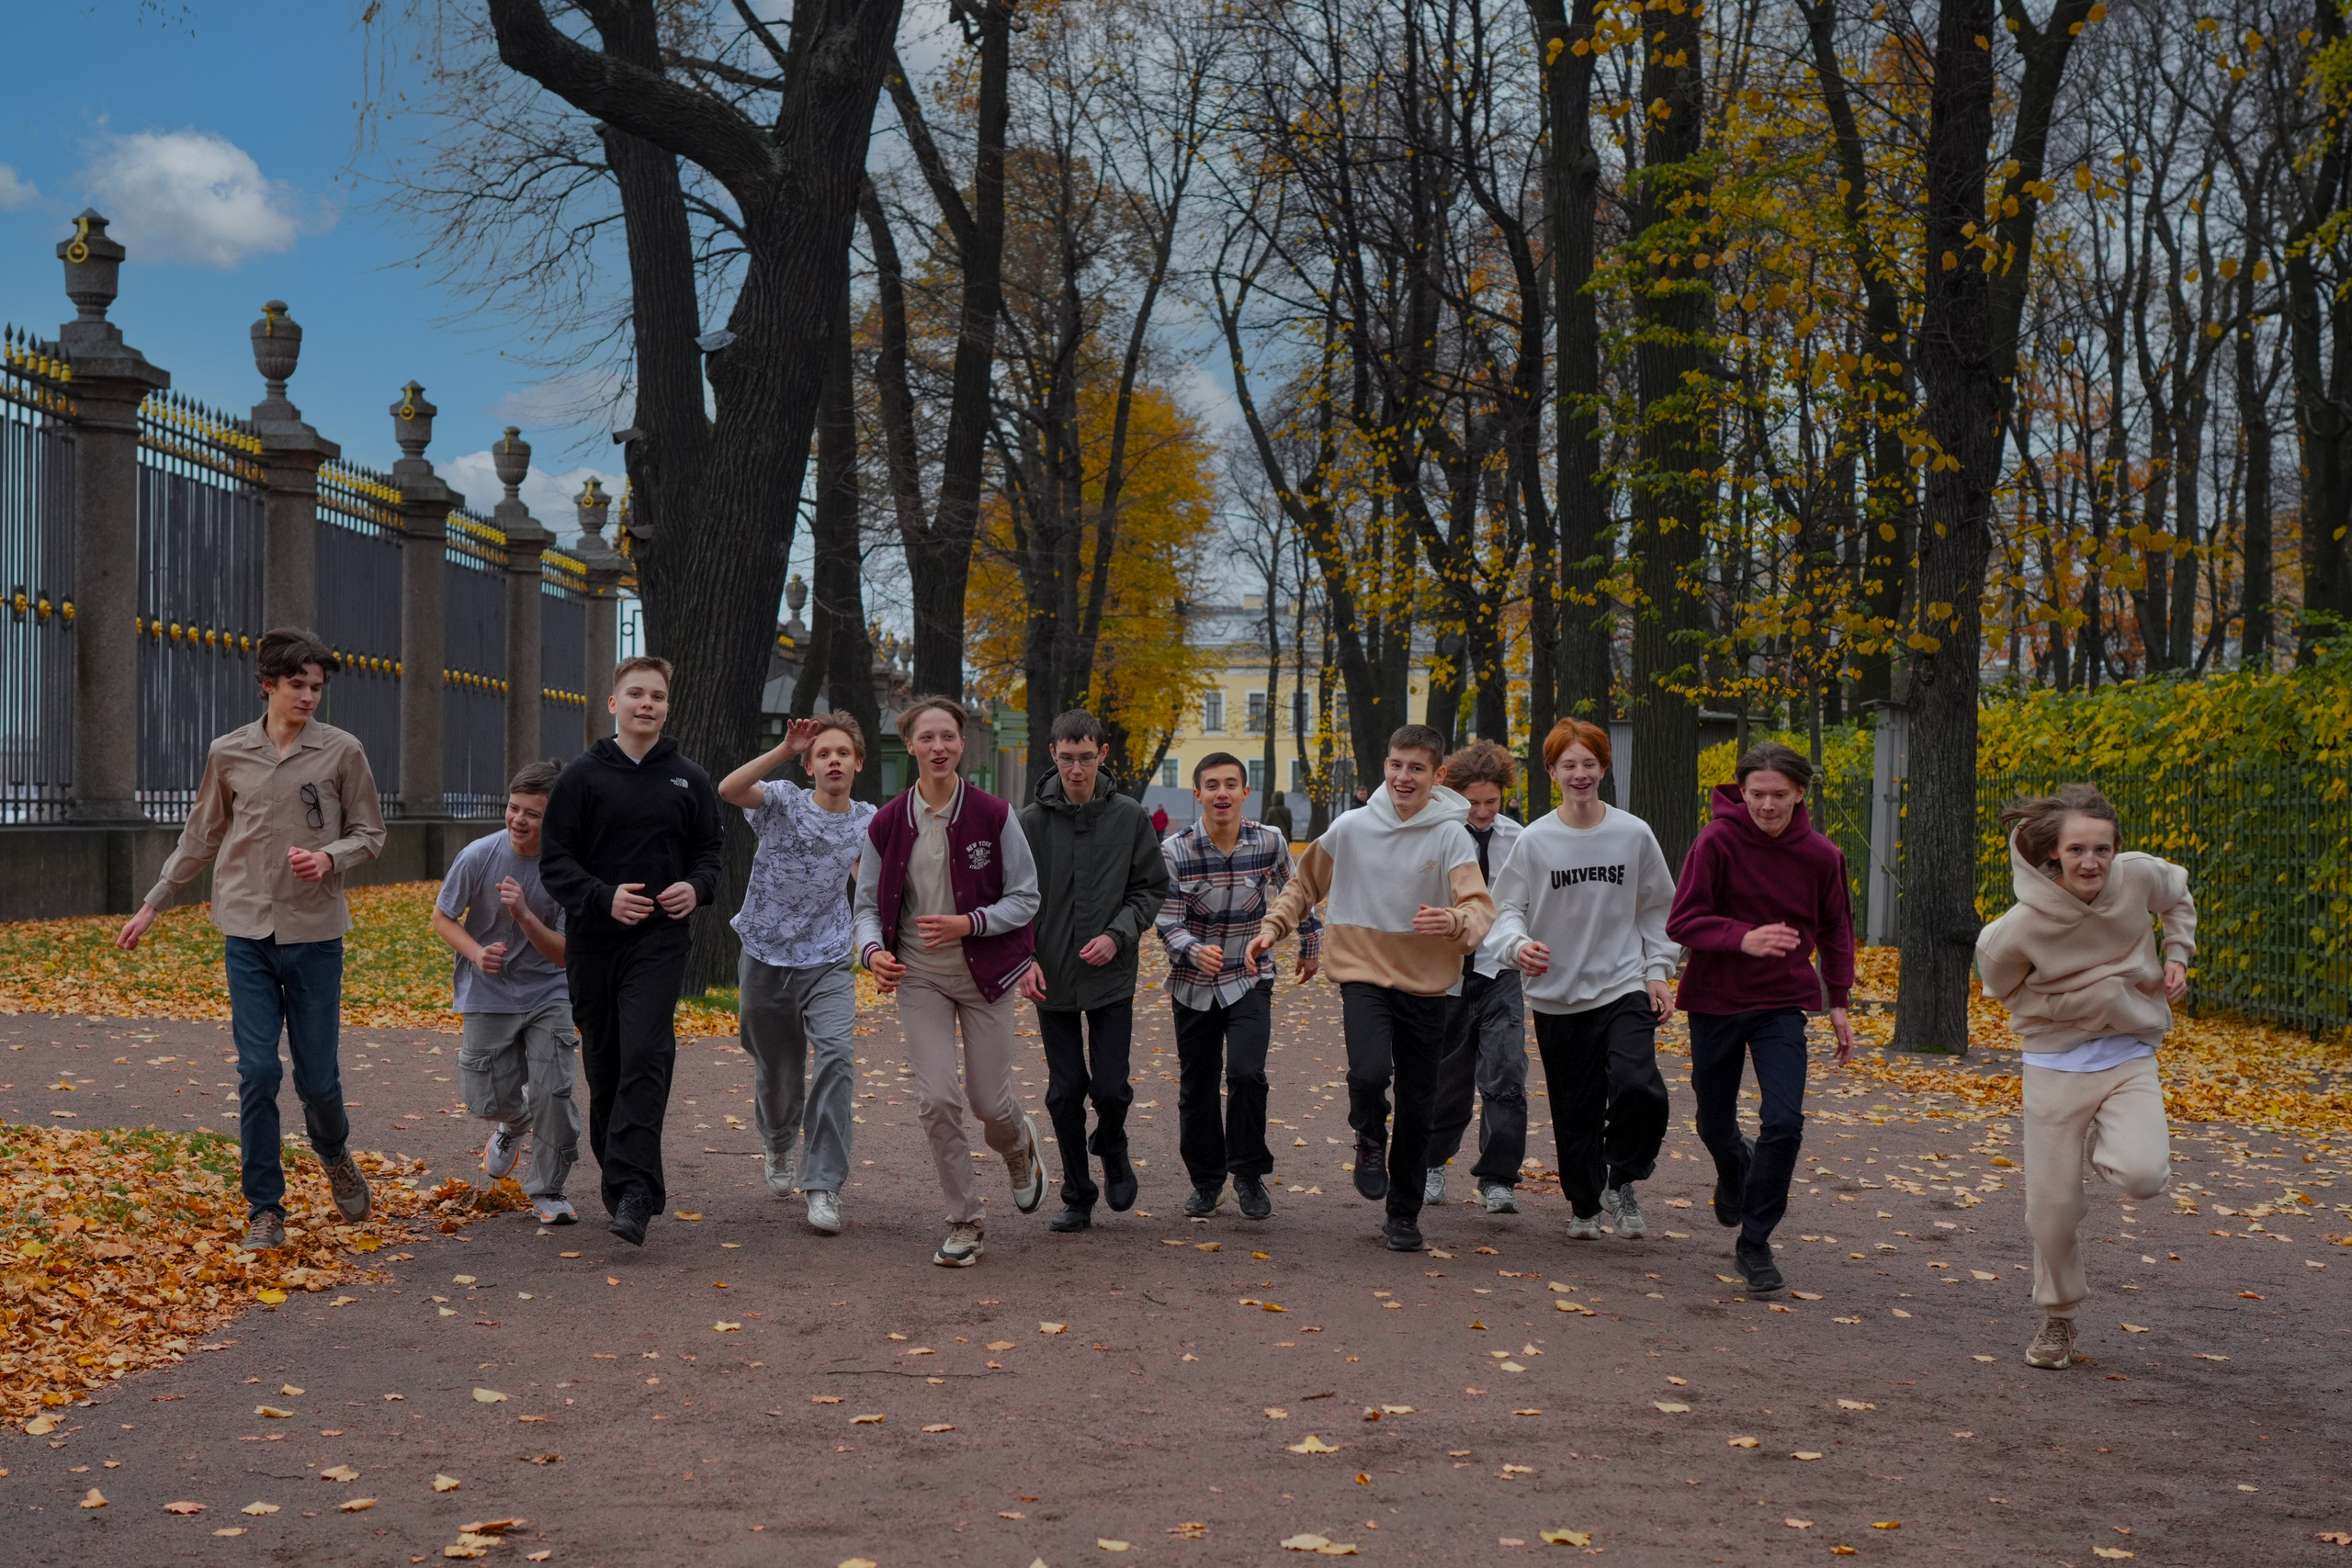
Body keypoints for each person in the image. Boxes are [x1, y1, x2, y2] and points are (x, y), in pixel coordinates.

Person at [116, 626, 383, 1249]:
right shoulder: (228, 752)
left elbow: (371, 833)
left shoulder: (343, 751)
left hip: (316, 935)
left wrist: (331, 857)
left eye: (317, 686)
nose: (310, 696)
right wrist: (155, 900)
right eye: (298, 684)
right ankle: (266, 1208)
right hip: (246, 931)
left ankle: (334, 1151)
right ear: (268, 684)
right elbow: (202, 835)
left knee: (317, 1079)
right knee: (259, 1071)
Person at [1248, 724, 1493, 1252]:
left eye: (1417, 768)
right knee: (1368, 1071)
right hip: (1360, 971)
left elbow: (1477, 907)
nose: (1404, 777)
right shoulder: (1352, 827)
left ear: (1438, 774)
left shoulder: (1452, 834)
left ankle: (1403, 1214)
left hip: (1427, 985)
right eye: (1396, 765)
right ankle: (1368, 1132)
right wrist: (1273, 927)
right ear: (1385, 766)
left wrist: (1452, 921)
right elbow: (1304, 884)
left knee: (1419, 1100)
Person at [1975, 784, 2194, 1371]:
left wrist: (2177, 954)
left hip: (2128, 1056)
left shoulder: (2141, 877)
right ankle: (2059, 1318)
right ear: (2054, 855)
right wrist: (2077, 1000)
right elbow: (2002, 989)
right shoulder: (2014, 930)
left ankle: (2110, 1144)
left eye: (2102, 848)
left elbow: (2179, 896)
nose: (2091, 861)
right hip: (2054, 1069)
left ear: (2117, 848)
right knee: (2052, 1212)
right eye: (2077, 850)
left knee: (2144, 1174)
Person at [537, 655, 726, 1248]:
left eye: (658, 696)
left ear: (668, 707)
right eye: (637, 694)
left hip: (659, 941)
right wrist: (602, 897)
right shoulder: (581, 778)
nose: (648, 704)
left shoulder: (688, 778)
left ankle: (637, 1192)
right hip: (593, 942)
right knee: (609, 1065)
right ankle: (624, 1185)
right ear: (614, 703)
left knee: (646, 1050)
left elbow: (711, 859)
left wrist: (693, 889)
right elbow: (555, 863)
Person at [854, 695, 1048, 1266]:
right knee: (937, 1099)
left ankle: (1017, 1144)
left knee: (989, 1103)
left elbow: (1027, 897)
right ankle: (965, 1221)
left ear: (961, 745)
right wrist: (871, 952)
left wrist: (972, 923)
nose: (938, 747)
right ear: (910, 744)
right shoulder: (887, 823)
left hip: (987, 976)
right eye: (927, 737)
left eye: (948, 737)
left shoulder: (994, 814)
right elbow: (865, 905)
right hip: (920, 980)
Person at [1666, 740, 1856, 1295]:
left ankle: (1755, 1241)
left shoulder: (1822, 856)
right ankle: (1732, 1166)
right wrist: (1742, 937)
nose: (1767, 806)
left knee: (1784, 1121)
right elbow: (1683, 921)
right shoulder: (1717, 840)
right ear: (1741, 792)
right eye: (1756, 795)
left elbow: (1836, 927)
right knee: (1713, 1120)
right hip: (1715, 1000)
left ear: (1800, 793)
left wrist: (1838, 1000)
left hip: (1780, 1003)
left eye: (1778, 795)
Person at [1487, 721, 1678, 1241]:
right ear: (1551, 772)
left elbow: (1658, 906)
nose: (1579, 774)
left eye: (1588, 763)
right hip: (1557, 995)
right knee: (1576, 1112)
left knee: (1641, 1088)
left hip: (1622, 983)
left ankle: (1624, 1176)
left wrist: (1657, 970)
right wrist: (1517, 946)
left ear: (1603, 768)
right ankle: (1587, 1204)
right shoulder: (1535, 840)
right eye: (1568, 765)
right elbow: (1505, 910)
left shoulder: (1632, 833)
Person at [719, 714, 877, 1236]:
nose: (834, 760)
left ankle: (824, 1184)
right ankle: (779, 1139)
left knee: (836, 1054)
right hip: (764, 952)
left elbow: (869, 882)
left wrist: (878, 940)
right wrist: (785, 749)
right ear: (811, 765)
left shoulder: (867, 821)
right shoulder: (783, 801)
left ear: (858, 762)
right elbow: (729, 789)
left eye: (844, 753)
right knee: (778, 1070)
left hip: (827, 956)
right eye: (824, 753)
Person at [1018, 711, 1170, 1233]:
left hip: (1110, 974)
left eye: (1086, 758)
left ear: (1102, 755)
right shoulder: (1029, 823)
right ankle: (1078, 1194)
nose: (1076, 769)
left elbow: (1150, 888)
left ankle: (1113, 1142)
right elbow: (1012, 900)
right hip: (1051, 975)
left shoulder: (1129, 817)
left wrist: (1118, 933)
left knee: (1109, 1087)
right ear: (1053, 755)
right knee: (1064, 1091)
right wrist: (1024, 959)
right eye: (1067, 758)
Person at [1157, 751, 1322, 1221]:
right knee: (1198, 1085)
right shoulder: (1175, 851)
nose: (1222, 793)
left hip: (1250, 978)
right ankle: (1207, 1184)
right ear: (1198, 794)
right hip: (1193, 982)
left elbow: (1298, 892)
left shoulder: (1268, 842)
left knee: (1247, 1074)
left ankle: (1248, 1174)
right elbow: (1166, 920)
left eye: (1231, 784)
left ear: (1245, 792)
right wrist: (1193, 949)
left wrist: (1310, 942)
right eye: (1212, 785)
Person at [431, 760, 581, 1226]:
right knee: (484, 1099)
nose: (519, 819)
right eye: (514, 808)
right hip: (488, 990)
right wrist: (477, 954)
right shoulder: (479, 855)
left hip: (548, 992)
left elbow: (564, 955)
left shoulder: (566, 869)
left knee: (554, 1093)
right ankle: (513, 1123)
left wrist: (524, 917)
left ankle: (548, 1189)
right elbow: (442, 918)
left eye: (533, 814)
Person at [1422, 740, 1531, 1214]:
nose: (1484, 812)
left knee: (1506, 1070)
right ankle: (1431, 1164)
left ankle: (1498, 1176)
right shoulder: (1438, 837)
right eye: (1475, 803)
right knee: (1447, 1079)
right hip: (1445, 974)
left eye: (1493, 801)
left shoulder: (1520, 840)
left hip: (1498, 970)